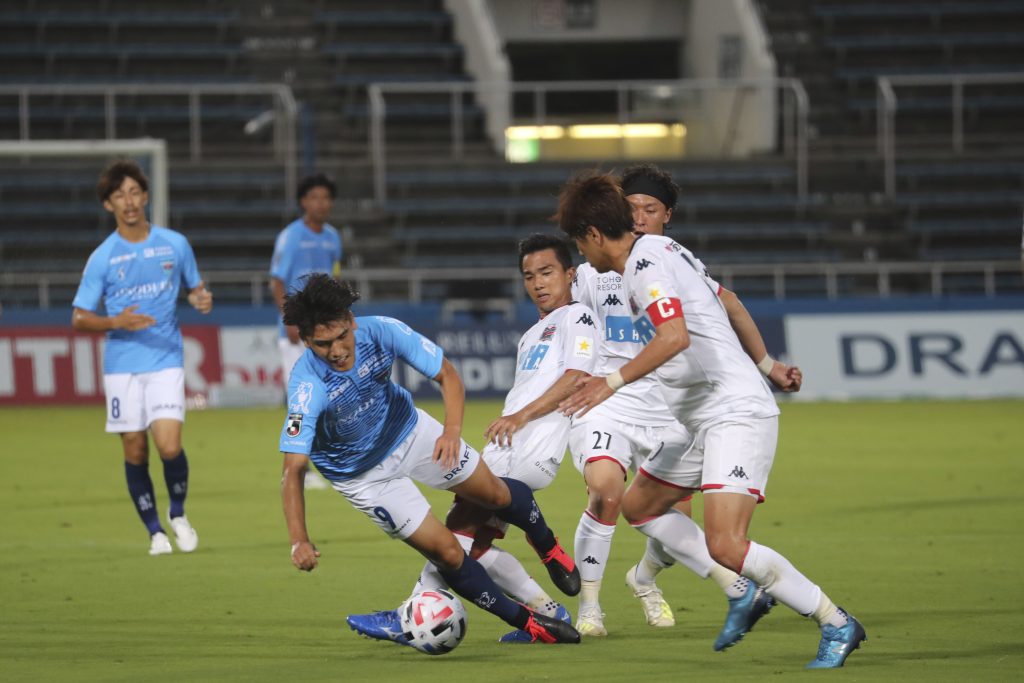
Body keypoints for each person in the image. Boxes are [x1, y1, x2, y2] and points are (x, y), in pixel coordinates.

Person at [556, 172, 866, 669]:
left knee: (726, 543)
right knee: (641, 506)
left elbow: (674, 336)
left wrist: (608, 383)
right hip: (697, 414)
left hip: (732, 410)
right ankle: (748, 594)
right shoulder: (666, 251)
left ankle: (835, 621)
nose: (582, 257)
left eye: (579, 242)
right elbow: (724, 305)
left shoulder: (646, 262)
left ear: (593, 235)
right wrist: (769, 365)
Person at [278, 273, 581, 645]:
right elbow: (292, 470)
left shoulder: (382, 331)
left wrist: (451, 430)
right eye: (323, 344)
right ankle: (530, 624)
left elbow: (448, 375)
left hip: (412, 433)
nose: (338, 350)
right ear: (306, 341)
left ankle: (548, 547)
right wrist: (299, 541)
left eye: (342, 335)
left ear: (352, 321)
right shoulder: (307, 387)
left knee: (498, 497)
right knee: (448, 552)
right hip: (366, 477)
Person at [570, 163, 802, 640]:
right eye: (629, 208)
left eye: (648, 210)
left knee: (673, 520)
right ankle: (592, 606)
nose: (637, 218)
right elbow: (565, 319)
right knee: (609, 493)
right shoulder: (594, 271)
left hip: (677, 402)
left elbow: (727, 304)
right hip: (615, 397)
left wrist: (767, 365)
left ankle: (647, 577)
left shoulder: (666, 260)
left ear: (667, 216)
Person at [347, 234, 601, 644]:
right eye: (529, 275)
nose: (538, 283)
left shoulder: (578, 318)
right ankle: (550, 615)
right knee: (475, 546)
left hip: (531, 449)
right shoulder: (532, 334)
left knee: (453, 535)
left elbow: (577, 378)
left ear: (570, 274)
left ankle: (409, 614)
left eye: (548, 272)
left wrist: (520, 416)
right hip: (506, 446)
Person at [71, 159, 213, 556]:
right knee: (135, 448)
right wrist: (116, 320)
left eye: (134, 192)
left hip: (166, 358)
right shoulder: (103, 257)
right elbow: (79, 318)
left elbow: (195, 288)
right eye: (119, 195)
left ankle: (178, 512)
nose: (129, 201)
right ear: (108, 205)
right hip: (121, 364)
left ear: (146, 196)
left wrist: (200, 298)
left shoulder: (174, 243)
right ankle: (155, 533)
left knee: (169, 446)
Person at [270, 173, 342, 489]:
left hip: (326, 331)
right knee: (299, 397)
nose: (321, 203)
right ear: (303, 201)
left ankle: (329, 457)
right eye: (314, 197)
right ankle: (300, 465)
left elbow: (336, 279)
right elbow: (276, 281)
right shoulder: (290, 237)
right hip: (297, 331)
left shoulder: (333, 237)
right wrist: (289, 320)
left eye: (326, 197)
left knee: (331, 394)